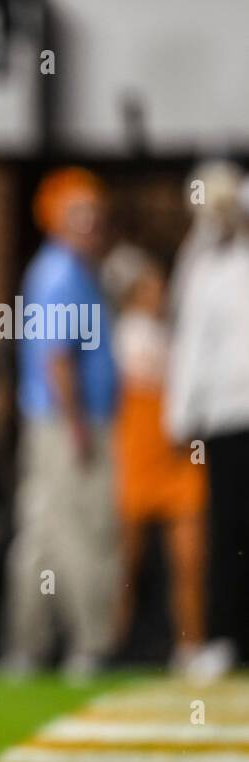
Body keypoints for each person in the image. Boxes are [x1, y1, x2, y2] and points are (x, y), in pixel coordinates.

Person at [1, 167, 119, 680]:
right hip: (67, 423)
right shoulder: (63, 272)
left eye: (93, 211)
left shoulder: (61, 267)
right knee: (82, 532)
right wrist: (78, 427)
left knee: (41, 536)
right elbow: (57, 359)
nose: (90, 222)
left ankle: (26, 648)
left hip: (51, 421)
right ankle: (89, 645)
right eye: (78, 211)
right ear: (54, 216)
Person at [101, 245, 206, 671]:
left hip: (177, 456)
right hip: (134, 457)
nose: (159, 290)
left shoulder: (178, 336)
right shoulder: (118, 337)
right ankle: (111, 646)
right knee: (124, 561)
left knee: (190, 560)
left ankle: (192, 647)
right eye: (149, 284)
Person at [166, 178, 249, 681]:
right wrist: (180, 415)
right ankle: (226, 637)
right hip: (227, 419)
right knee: (230, 531)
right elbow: (192, 344)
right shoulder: (213, 272)